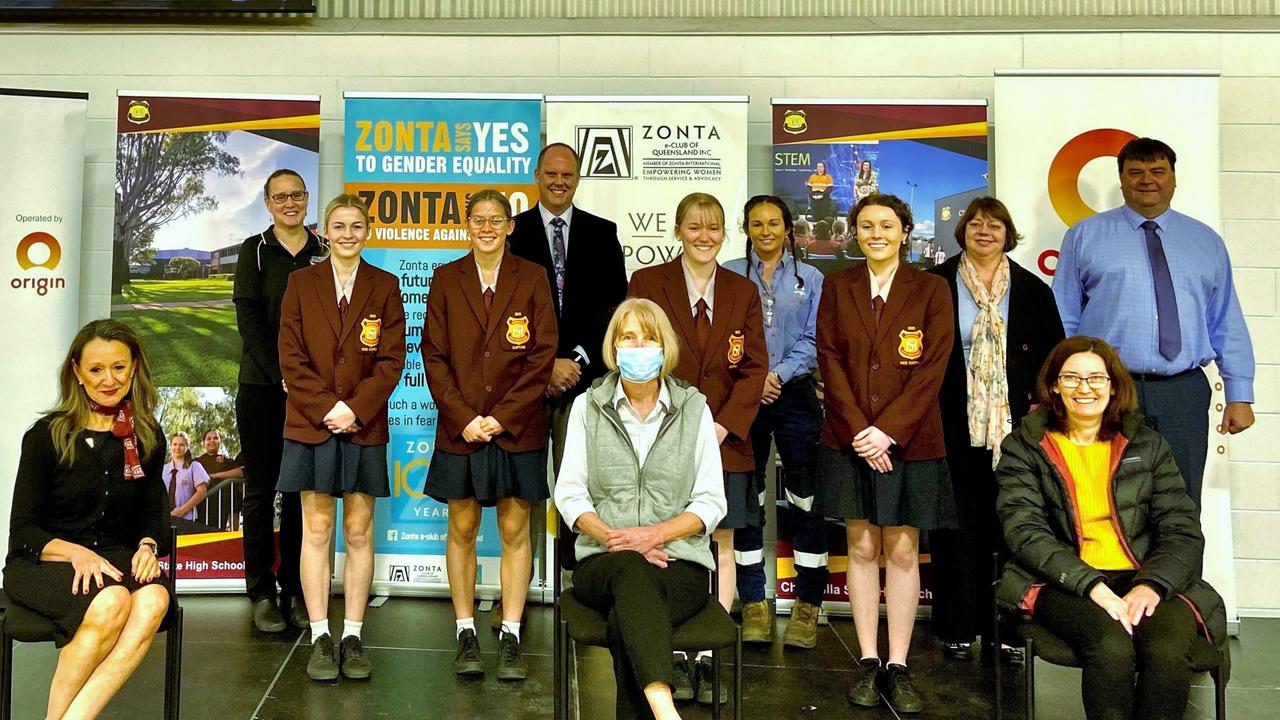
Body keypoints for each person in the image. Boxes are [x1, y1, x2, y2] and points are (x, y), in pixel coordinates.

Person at [996, 335, 1227, 720]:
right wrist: (1093, 586)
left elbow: (1182, 529)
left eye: (1096, 379)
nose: (1084, 388)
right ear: (1054, 384)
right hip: (1063, 580)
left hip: (1144, 575)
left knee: (1168, 650)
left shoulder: (1148, 444)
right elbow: (1025, 532)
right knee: (1111, 645)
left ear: (1113, 385)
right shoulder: (1025, 446)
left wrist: (1151, 584)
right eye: (1071, 378)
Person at [1053, 137, 1255, 504]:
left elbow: (1225, 320)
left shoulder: (1205, 241)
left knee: (1180, 501)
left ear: (1173, 179)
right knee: (1106, 500)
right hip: (1108, 390)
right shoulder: (1085, 236)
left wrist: (1240, 393)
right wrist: (1060, 386)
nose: (1147, 179)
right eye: (1136, 172)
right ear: (1122, 181)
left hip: (1184, 392)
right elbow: (1064, 319)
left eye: (1158, 171)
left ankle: (1179, 565)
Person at [814, 193, 956, 714]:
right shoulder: (837, 286)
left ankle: (898, 664)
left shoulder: (932, 289)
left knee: (900, 549)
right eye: (866, 226)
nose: (876, 234)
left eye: (887, 225)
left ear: (905, 232)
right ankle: (868, 661)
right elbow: (828, 359)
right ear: (855, 233)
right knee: (861, 547)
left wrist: (888, 432)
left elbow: (933, 368)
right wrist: (860, 431)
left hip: (911, 440)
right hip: (850, 439)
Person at [555, 297, 728, 720]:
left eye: (649, 337)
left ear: (665, 346)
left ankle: (659, 706)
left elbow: (711, 502)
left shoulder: (695, 408)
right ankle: (666, 712)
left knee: (626, 621)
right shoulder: (587, 407)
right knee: (630, 571)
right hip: (602, 558)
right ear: (613, 348)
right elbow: (570, 495)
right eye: (628, 337)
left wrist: (655, 535)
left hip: (679, 563)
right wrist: (618, 539)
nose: (638, 345)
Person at [628, 192, 768, 704]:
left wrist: (724, 425)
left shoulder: (742, 290)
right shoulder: (647, 284)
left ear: (725, 233)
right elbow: (637, 352)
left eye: (713, 228)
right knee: (667, 540)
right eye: (694, 227)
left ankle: (708, 658)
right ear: (678, 230)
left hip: (726, 441)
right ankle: (669, 657)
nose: (704, 236)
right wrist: (681, 422)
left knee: (721, 541)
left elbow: (753, 367)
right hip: (663, 436)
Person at [422, 188, 557, 682]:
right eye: (478, 219)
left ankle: (512, 634)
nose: (486, 227)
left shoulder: (533, 277)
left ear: (509, 226)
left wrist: (501, 417)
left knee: (515, 531)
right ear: (467, 224)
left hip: (516, 429)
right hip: (463, 428)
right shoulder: (445, 278)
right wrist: (465, 418)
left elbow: (543, 355)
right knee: (461, 529)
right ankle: (465, 632)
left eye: (495, 219)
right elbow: (432, 355)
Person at [4, 319, 171, 720]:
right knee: (111, 599)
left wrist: (149, 545)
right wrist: (75, 553)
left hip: (111, 559)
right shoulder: (46, 435)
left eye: (118, 367)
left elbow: (154, 511)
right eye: (96, 369)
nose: (109, 379)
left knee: (154, 599)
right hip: (44, 564)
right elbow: (23, 530)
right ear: (77, 372)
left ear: (133, 368)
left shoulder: (146, 436)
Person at [926, 197, 1064, 663]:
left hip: (1016, 430)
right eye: (976, 224)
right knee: (956, 530)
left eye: (995, 225)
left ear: (1009, 234)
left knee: (1013, 528)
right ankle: (957, 628)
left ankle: (1009, 630)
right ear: (962, 230)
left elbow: (1053, 361)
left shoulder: (1032, 290)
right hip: (950, 424)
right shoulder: (935, 284)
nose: (984, 232)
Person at [276, 193, 406, 682]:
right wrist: (328, 407)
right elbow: (290, 357)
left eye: (356, 225)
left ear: (366, 232)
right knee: (316, 531)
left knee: (358, 531)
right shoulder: (300, 284)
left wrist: (355, 408)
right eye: (339, 225)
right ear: (324, 232)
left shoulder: (385, 285)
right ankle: (319, 636)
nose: (348, 234)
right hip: (311, 423)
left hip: (364, 423)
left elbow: (392, 359)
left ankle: (351, 633)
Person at [509, 142, 628, 595]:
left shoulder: (602, 233)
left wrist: (575, 359)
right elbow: (504, 311)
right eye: (551, 174)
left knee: (578, 480)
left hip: (583, 380)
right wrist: (544, 365)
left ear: (577, 178)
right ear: (536, 176)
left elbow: (611, 307)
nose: (559, 182)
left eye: (568, 175)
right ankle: (522, 583)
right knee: (521, 487)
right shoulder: (512, 232)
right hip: (522, 382)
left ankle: (577, 585)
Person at [722, 195, 828, 648]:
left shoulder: (814, 278)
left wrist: (776, 375)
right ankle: (754, 604)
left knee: (804, 498)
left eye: (774, 223)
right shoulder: (727, 273)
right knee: (749, 497)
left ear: (788, 228)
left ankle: (808, 605)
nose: (765, 231)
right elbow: (722, 336)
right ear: (746, 228)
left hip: (796, 395)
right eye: (756, 224)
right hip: (742, 395)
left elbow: (815, 338)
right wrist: (754, 379)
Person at [233, 168, 327, 633]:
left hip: (309, 392)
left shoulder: (322, 250)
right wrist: (281, 375)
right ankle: (261, 590)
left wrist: (305, 380)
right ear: (268, 203)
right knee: (260, 489)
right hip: (260, 387)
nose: (290, 202)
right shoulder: (253, 250)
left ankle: (294, 587)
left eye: (297, 195)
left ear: (307, 199)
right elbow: (249, 322)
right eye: (280, 197)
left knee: (297, 492)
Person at [193, 428, 244, 530]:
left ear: (220, 441)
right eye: (208, 438)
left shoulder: (228, 461)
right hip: (202, 509)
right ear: (204, 443)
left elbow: (241, 472)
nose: (212, 440)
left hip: (223, 508)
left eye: (216, 438)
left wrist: (216, 475)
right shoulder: (196, 462)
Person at [160, 431, 210, 522]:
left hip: (187, 519)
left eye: (182, 444)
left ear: (188, 447)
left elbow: (202, 492)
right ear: (170, 446)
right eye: (175, 444)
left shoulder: (194, 466)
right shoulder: (163, 469)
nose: (178, 447)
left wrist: (181, 511)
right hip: (164, 519)